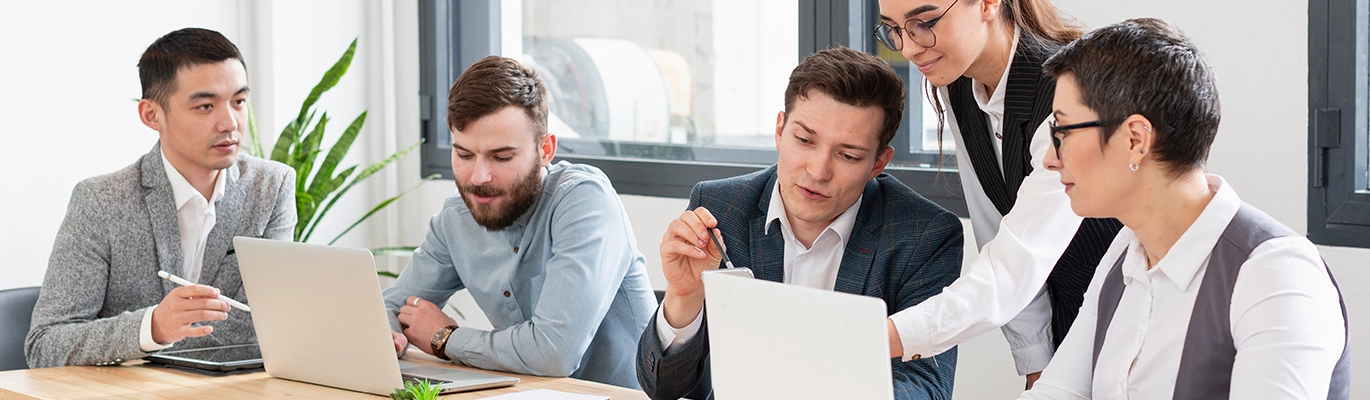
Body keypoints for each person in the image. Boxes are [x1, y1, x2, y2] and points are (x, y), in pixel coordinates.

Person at [1021, 18, 1350, 399]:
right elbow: (1060, 391)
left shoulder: (1275, 273)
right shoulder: (1125, 253)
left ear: (1135, 140)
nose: (1049, 159)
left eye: (1061, 133)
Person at [637, 47, 964, 400]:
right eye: (805, 140)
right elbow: (664, 389)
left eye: (848, 155)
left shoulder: (926, 235)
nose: (817, 171)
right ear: (780, 130)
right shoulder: (720, 209)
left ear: (878, 164)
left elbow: (927, 389)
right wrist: (684, 298)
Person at [875, 0, 1122, 385]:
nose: (908, 48)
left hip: (1123, 311)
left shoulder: (1066, 95)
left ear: (989, 4)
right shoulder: (956, 83)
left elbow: (1016, 262)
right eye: (893, 29)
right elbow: (995, 226)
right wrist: (1035, 360)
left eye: (923, 23)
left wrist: (871, 337)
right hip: (1063, 321)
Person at [25, 28, 296, 368]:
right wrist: (152, 327)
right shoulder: (100, 202)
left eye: (239, 102)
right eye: (205, 106)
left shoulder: (271, 187)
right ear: (152, 115)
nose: (230, 123)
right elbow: (46, 345)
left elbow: (263, 327)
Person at [380, 55, 656, 389]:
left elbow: (555, 352)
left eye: (502, 157)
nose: (479, 177)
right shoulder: (456, 218)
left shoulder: (585, 200)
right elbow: (392, 306)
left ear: (545, 149)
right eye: (464, 155)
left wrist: (446, 339)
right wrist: (385, 333)